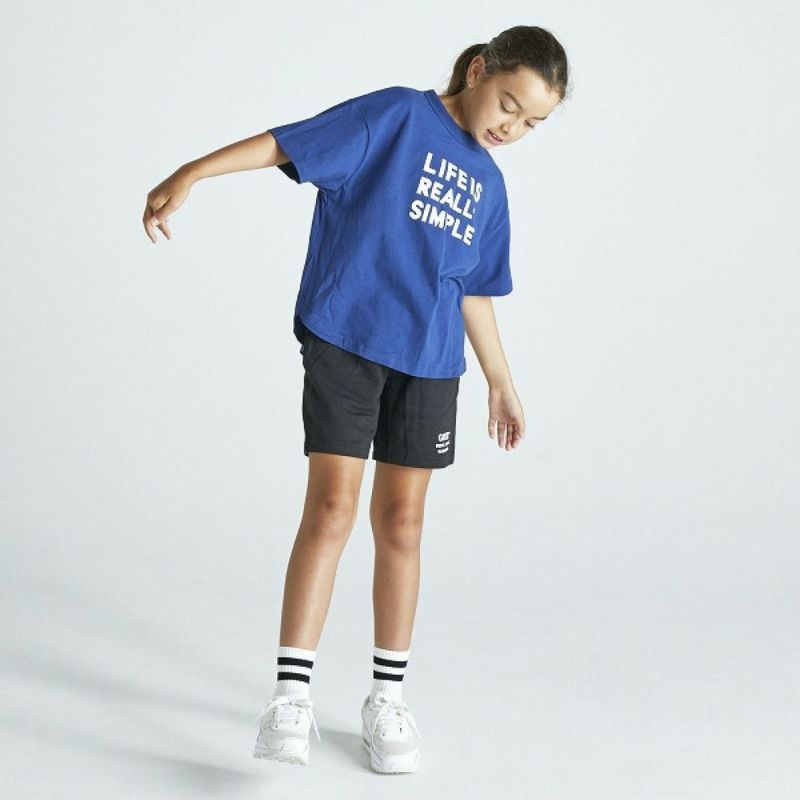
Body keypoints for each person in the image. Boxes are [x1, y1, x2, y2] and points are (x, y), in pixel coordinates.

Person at [142, 24, 569, 774]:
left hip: (429, 364)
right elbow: (289, 144)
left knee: (403, 522)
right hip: (348, 337)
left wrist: (501, 382)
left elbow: (471, 291)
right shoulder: (398, 115)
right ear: (479, 70)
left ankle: (386, 700)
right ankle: (291, 699)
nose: (512, 128)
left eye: (532, 123)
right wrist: (194, 172)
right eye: (509, 104)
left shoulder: (491, 186)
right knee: (333, 507)